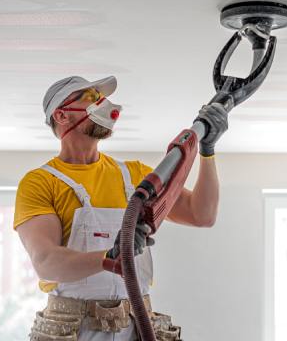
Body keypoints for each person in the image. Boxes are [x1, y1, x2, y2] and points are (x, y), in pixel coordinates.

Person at [13, 75, 229, 341]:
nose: (104, 104)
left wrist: (207, 150)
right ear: (61, 116)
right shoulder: (42, 182)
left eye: (102, 97)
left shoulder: (135, 176)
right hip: (73, 329)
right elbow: (47, 263)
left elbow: (202, 214)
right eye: (91, 98)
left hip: (137, 326)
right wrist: (111, 257)